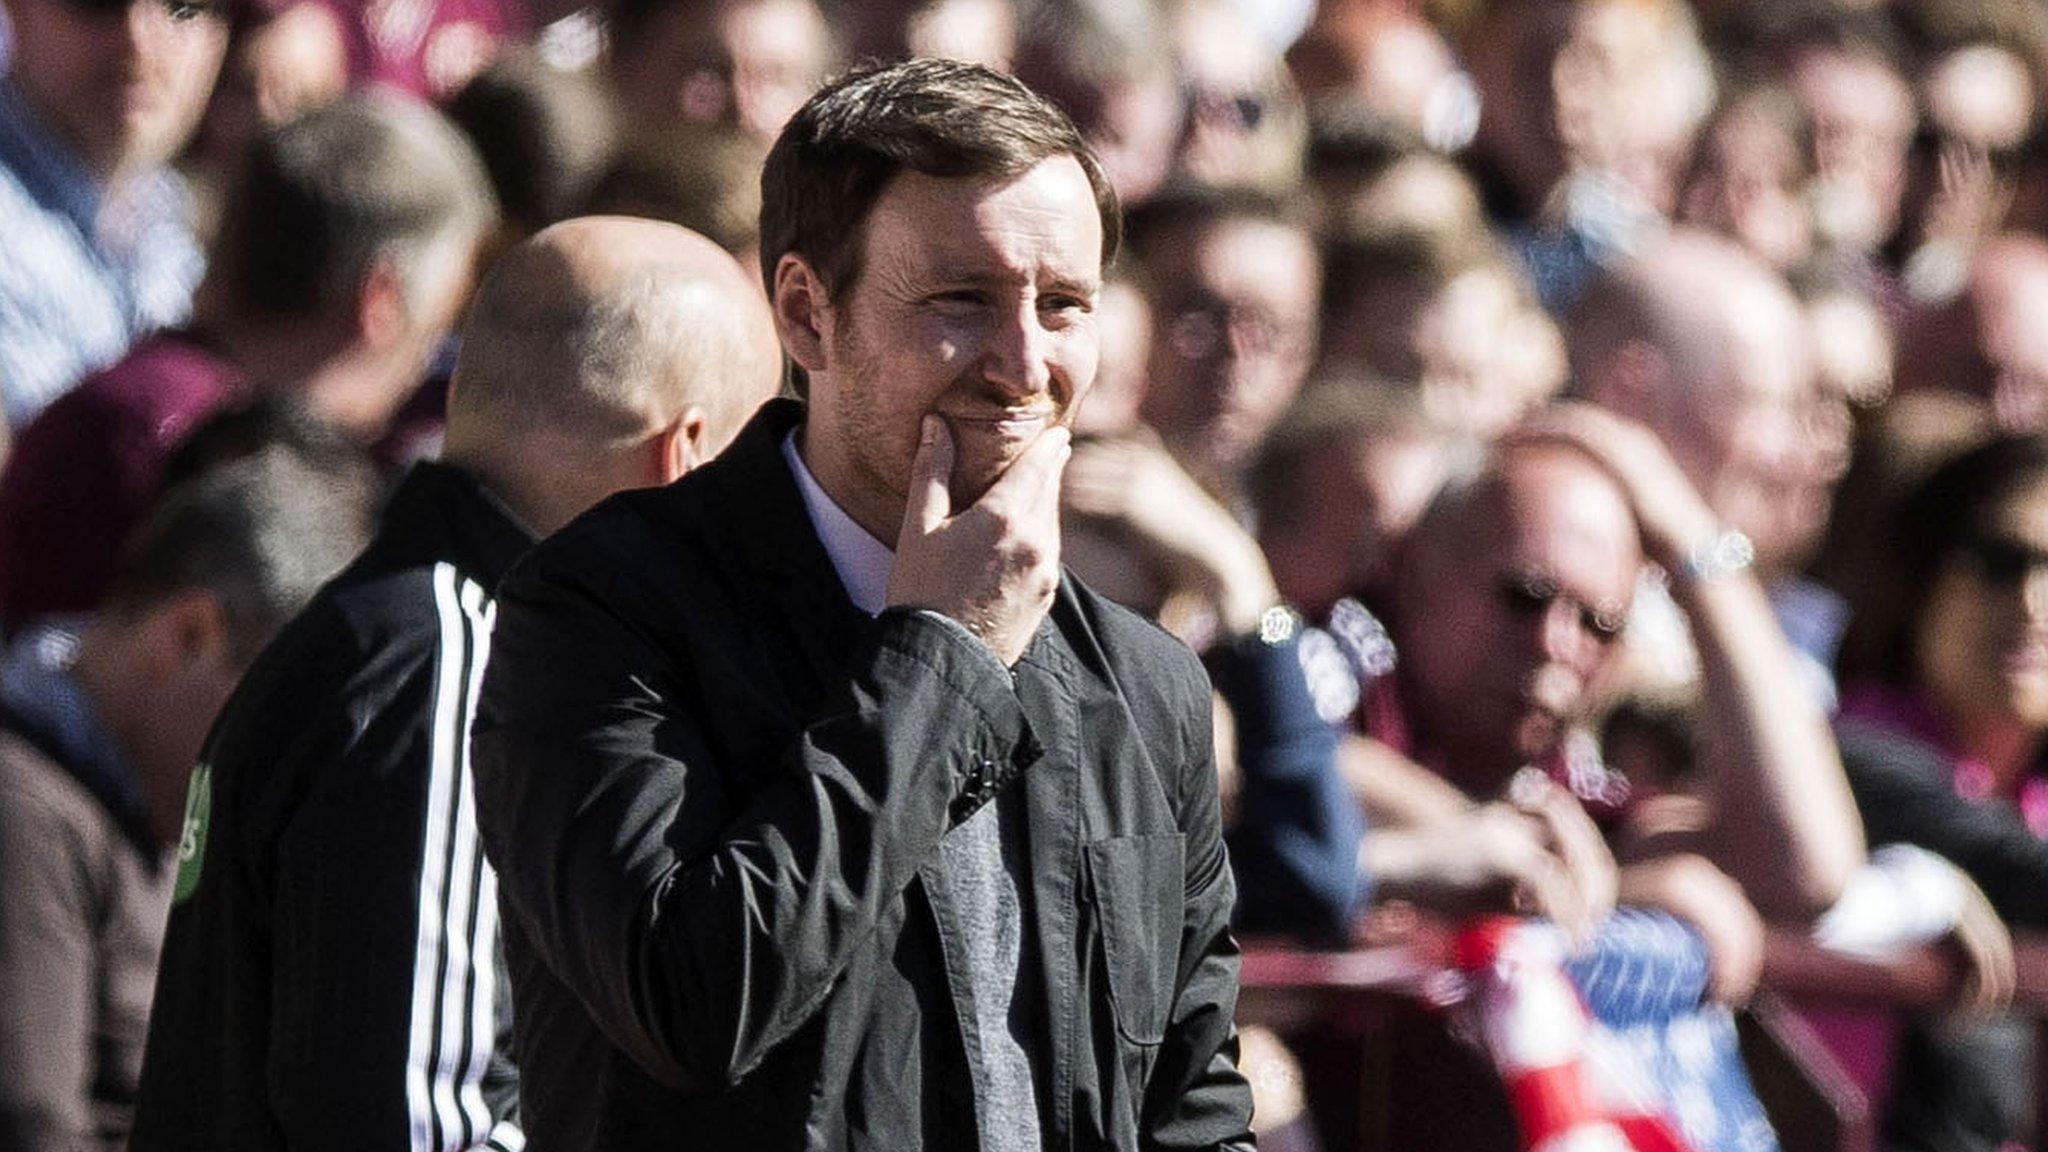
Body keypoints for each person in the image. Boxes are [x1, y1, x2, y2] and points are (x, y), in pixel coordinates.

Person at [469, 59, 1256, 1150]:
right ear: (805, 313)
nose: (1023, 362)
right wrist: (940, 655)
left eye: (1064, 305)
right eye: (960, 302)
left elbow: (1191, 1108)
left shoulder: (1141, 683)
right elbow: (691, 1003)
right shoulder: (604, 611)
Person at [128, 216, 782, 1151]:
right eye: (757, 467)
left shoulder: (395, 632)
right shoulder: (453, 669)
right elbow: (426, 1123)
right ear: (683, 456)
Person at [0, 95, 496, 636]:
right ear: (382, 298)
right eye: (446, 311)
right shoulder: (160, 441)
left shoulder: (151, 409)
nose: (435, 351)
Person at [0, 443, 378, 1150]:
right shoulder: (25, 818)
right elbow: (32, 1127)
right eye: (281, 719)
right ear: (192, 635)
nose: (290, 766)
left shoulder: (138, 808)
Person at [1832, 433, 2048, 1152]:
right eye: (1999, 562)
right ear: (1920, 575)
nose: (2032, 601)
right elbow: (2017, 870)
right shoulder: (1843, 759)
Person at [0, 0, 228, 426]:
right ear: (15, 11)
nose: (139, 42)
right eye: (99, 3)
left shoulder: (168, 208)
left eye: (182, 7)